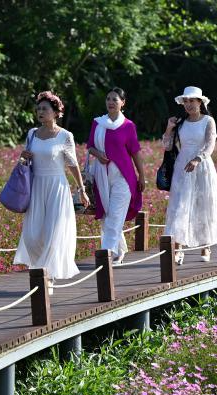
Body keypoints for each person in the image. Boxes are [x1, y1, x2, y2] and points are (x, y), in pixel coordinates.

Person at [14, 91, 85, 288]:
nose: (40, 112)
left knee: (54, 233)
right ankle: (40, 268)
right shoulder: (31, 134)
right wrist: (22, 157)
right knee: (32, 235)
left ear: (55, 112)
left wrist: (82, 189)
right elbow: (23, 162)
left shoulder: (65, 136)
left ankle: (48, 277)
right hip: (36, 187)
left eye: (44, 109)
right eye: (38, 109)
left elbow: (73, 165)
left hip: (57, 188)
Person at [163, 86, 217, 264]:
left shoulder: (208, 121)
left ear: (200, 102)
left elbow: (210, 144)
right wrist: (169, 128)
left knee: (203, 204)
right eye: (185, 101)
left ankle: (206, 245)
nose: (188, 104)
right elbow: (167, 146)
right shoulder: (180, 122)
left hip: (202, 167)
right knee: (179, 204)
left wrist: (198, 159)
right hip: (182, 166)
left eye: (192, 101)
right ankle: (178, 248)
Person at [87, 87, 144, 265]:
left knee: (115, 215)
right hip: (101, 176)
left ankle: (107, 254)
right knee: (107, 215)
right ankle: (120, 249)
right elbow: (90, 146)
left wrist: (142, 176)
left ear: (122, 103)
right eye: (108, 99)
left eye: (115, 99)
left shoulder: (128, 126)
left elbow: (135, 153)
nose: (111, 102)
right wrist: (98, 155)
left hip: (124, 178)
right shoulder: (98, 123)